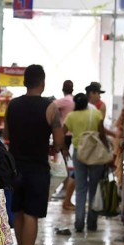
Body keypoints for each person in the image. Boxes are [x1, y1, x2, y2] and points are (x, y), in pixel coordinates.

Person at [4, 64, 66, 245]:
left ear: (24, 82)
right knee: (32, 215)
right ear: (43, 82)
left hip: (15, 167)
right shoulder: (50, 108)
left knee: (19, 212)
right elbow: (58, 141)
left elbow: (7, 133)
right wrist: (52, 146)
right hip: (37, 168)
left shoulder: (12, 105)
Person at [63, 93, 108, 232]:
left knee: (81, 188)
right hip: (95, 153)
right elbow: (102, 134)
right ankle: (92, 222)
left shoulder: (71, 116)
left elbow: (62, 132)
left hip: (79, 153)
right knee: (94, 188)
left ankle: (79, 222)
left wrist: (64, 149)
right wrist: (107, 151)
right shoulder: (96, 114)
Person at [53, 80, 76, 211]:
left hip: (64, 135)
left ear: (63, 89)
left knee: (62, 162)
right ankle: (64, 187)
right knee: (67, 162)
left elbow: (51, 106)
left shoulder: (64, 100)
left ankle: (64, 187)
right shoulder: (74, 101)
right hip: (73, 135)